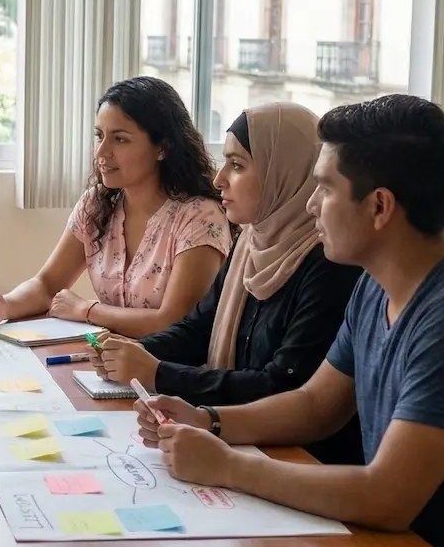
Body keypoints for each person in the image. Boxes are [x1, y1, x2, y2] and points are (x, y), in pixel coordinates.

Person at [136, 95, 444, 547]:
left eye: (326, 189)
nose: (311, 205)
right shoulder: (376, 286)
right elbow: (316, 406)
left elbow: (387, 497)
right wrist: (206, 419)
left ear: (379, 207)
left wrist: (229, 466)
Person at [92, 103, 363, 463]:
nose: (219, 179)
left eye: (237, 165)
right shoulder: (253, 241)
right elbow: (199, 328)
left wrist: (158, 373)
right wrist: (129, 352)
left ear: (282, 172)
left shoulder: (331, 265)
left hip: (300, 457)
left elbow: (282, 386)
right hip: (243, 439)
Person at [0, 76, 230, 337]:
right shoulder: (96, 204)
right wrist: (4, 306)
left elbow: (173, 322)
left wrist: (87, 310)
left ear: (162, 148)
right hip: (108, 361)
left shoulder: (200, 217)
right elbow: (47, 285)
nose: (101, 152)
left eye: (120, 139)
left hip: (169, 370)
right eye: (99, 136)